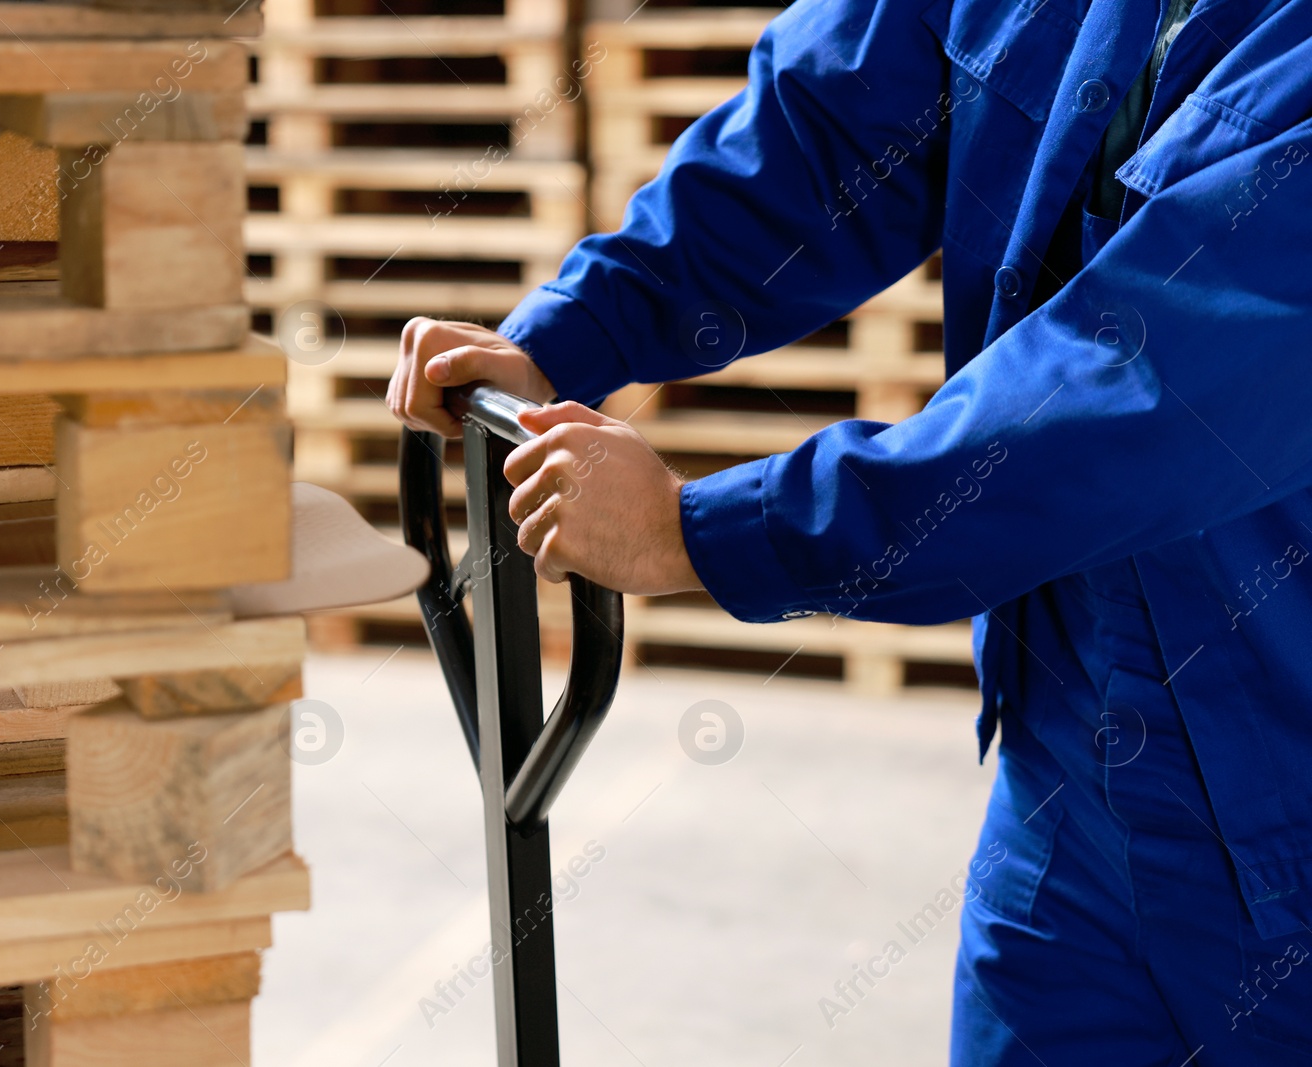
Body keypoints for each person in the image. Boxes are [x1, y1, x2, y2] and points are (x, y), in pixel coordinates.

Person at [387, 0, 1312, 1062]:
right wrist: (576, 332)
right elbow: (824, 129)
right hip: (1073, 780)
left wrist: (704, 532)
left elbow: (1134, 396)